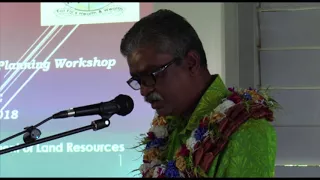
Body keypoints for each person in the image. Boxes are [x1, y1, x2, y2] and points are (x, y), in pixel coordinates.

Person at [120, 9, 279, 178]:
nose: (144, 90)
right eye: (138, 80)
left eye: (151, 75)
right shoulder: (168, 126)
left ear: (191, 63)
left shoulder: (246, 131)